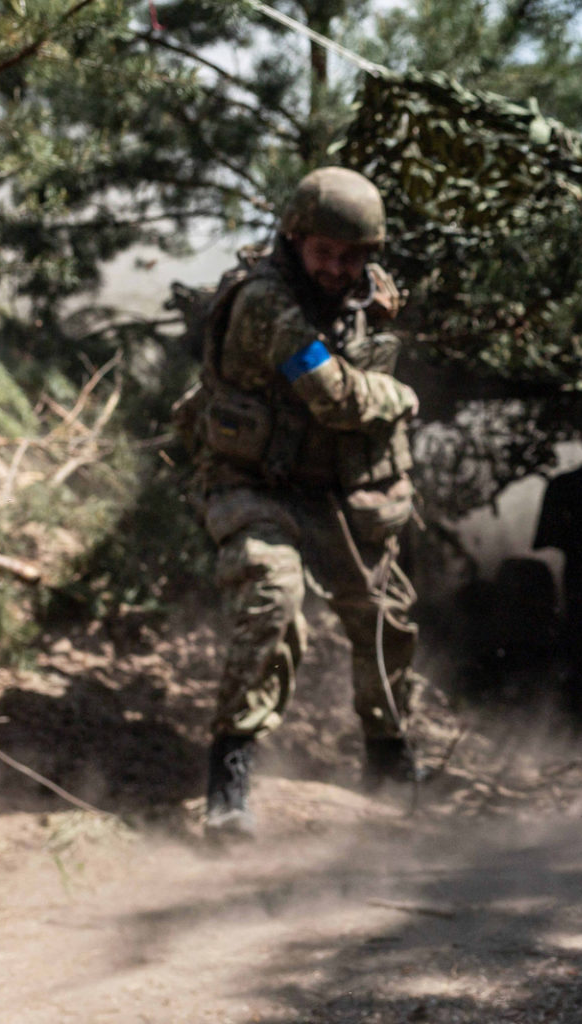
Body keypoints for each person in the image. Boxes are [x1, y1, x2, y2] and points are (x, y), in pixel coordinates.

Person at [179, 166, 423, 841]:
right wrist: (400, 399)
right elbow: (334, 395)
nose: (336, 268)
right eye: (323, 253)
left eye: (352, 257)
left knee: (387, 617)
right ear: (294, 239)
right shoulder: (266, 303)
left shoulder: (356, 293)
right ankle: (229, 781)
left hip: (328, 491)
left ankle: (391, 764)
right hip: (249, 484)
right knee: (274, 598)